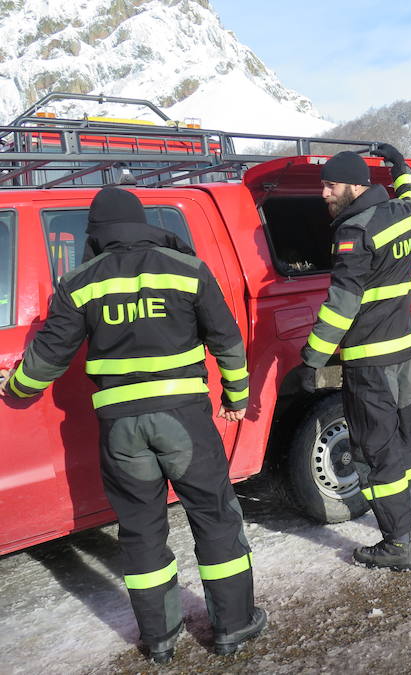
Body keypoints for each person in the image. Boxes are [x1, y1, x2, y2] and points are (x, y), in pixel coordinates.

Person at [0, 187, 265, 664]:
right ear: (142, 223)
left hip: (122, 429)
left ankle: (160, 639)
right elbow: (227, 339)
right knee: (214, 517)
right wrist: (236, 397)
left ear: (97, 233)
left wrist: (16, 389)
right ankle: (234, 625)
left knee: (141, 530)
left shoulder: (79, 282)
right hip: (183, 420)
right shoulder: (188, 270)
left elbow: (49, 354)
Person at [299, 145, 411, 572]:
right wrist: (400, 165)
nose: (324, 194)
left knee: (376, 450)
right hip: (405, 353)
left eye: (330, 186)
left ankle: (397, 542)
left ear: (355, 186)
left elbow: (342, 302)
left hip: (370, 361)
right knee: (404, 439)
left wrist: (312, 358)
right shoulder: (400, 214)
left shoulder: (353, 231)